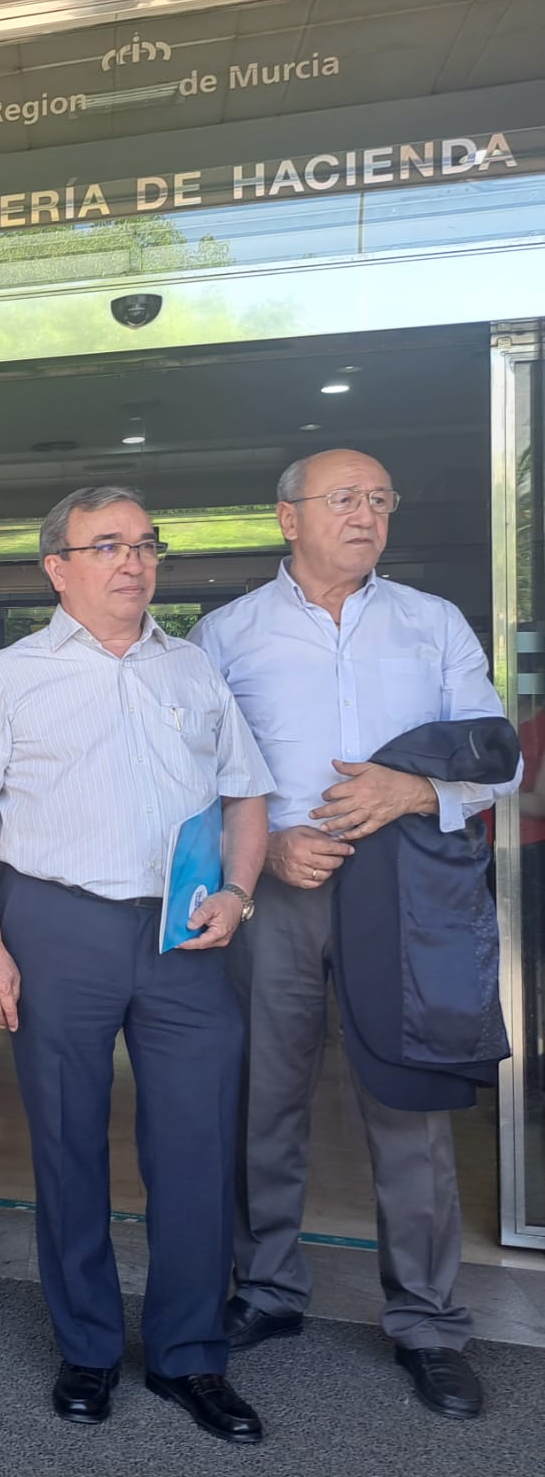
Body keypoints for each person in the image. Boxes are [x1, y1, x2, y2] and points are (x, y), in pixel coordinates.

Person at [0, 486, 274, 1444]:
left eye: (145, 545)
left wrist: (239, 894)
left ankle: (189, 1357)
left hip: (182, 934)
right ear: (59, 567)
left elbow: (247, 795)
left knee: (198, 1146)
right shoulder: (9, 676)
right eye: (108, 546)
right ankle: (86, 1349)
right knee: (67, 1142)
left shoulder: (194, 671)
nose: (134, 562)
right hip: (55, 926)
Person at [189, 448, 518, 1419]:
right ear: (285, 518)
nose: (364, 513)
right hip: (278, 888)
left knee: (409, 1114)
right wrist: (258, 847)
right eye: (342, 498)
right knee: (263, 1100)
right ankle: (269, 1289)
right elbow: (185, 774)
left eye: (379, 498)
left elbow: (494, 755)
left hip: (407, 892)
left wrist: (410, 789)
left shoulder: (432, 624)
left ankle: (425, 1323)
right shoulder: (223, 634)